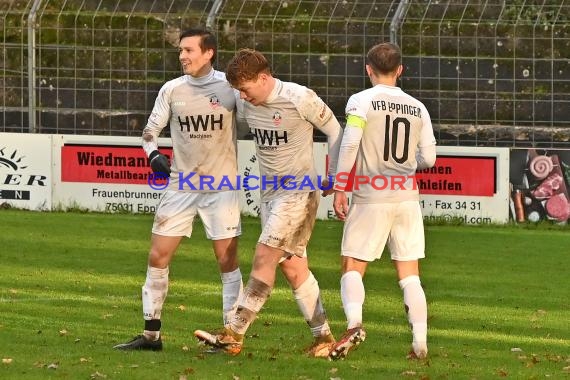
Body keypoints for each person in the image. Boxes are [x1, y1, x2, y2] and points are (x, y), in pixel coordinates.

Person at [194, 48, 342, 358]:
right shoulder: (249, 104)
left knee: (264, 256)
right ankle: (324, 337)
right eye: (239, 92)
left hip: (299, 193)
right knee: (294, 269)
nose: (243, 98)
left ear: (264, 78)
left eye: (246, 90)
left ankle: (234, 332)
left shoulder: (300, 97)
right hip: (271, 196)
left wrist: (334, 176)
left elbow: (335, 131)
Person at [113, 28, 244, 351]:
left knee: (227, 261)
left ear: (209, 52)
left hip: (220, 187)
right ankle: (151, 336)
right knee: (158, 256)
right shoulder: (172, 89)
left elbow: (260, 116)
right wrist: (153, 154)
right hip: (180, 186)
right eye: (180, 51)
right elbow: (149, 131)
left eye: (189, 50)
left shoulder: (230, 88)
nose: (182, 56)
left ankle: (231, 336)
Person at [328, 42, 436, 360]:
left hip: (370, 196)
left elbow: (349, 145)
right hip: (406, 198)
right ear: (400, 70)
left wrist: (340, 187)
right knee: (410, 274)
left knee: (352, 265)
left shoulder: (361, 102)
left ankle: (354, 324)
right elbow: (428, 158)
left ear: (368, 69)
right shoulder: (418, 107)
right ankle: (419, 341)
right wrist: (401, 166)